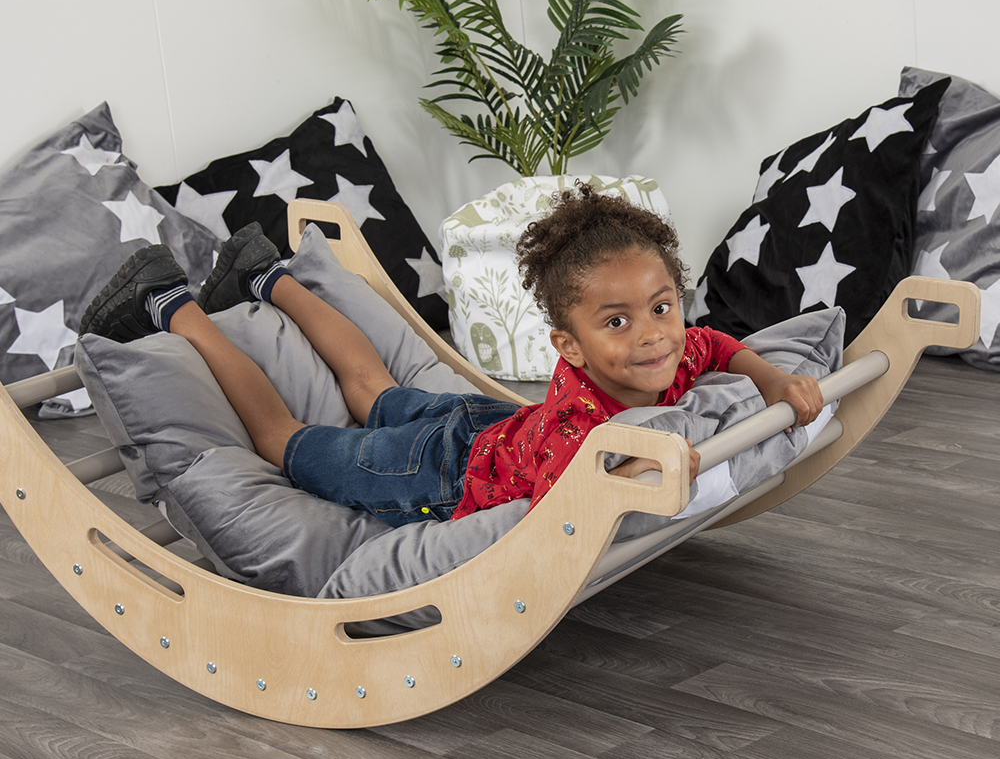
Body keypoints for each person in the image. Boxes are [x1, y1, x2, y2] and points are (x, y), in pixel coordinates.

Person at [80, 184, 822, 528]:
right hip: (435, 471)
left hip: (487, 424)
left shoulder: (668, 352)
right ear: (569, 347)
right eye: (617, 322)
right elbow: (569, 506)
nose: (654, 335)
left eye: (662, 306)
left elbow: (717, 344)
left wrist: (772, 378)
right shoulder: (580, 425)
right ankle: (170, 304)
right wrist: (648, 469)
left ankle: (265, 276)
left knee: (372, 389)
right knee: (284, 440)